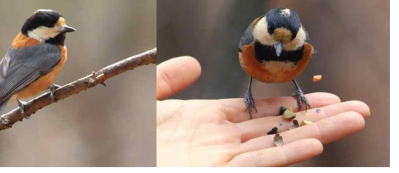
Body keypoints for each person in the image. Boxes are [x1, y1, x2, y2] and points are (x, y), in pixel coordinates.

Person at [157, 56, 370, 167]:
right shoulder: (252, 44)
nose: (279, 49)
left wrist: (299, 91)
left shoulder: (302, 47)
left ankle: (298, 91)